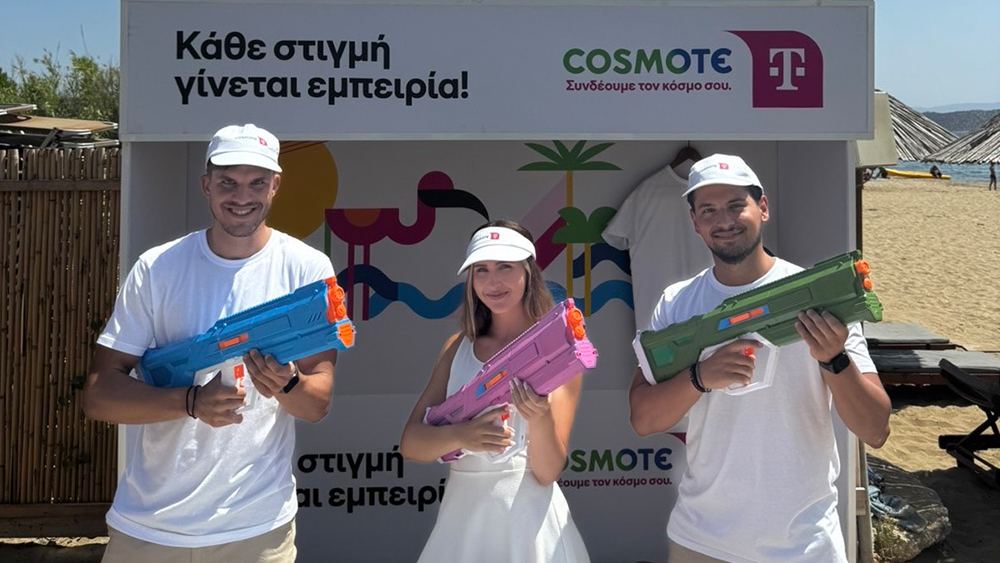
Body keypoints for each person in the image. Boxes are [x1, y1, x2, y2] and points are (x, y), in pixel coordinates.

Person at [83, 124, 338, 562]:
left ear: (276, 186)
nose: (242, 196)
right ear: (206, 185)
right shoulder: (157, 268)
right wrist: (190, 402)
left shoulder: (308, 270)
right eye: (228, 182)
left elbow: (317, 404)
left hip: (256, 529)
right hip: (151, 526)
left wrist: (288, 383)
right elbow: (99, 396)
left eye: (256, 182)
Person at [628, 154, 891, 563]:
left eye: (737, 205)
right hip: (701, 540)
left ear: (763, 208)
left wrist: (834, 360)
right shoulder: (677, 303)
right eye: (709, 210)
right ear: (695, 222)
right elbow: (643, 419)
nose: (724, 220)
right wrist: (700, 377)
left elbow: (875, 429)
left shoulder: (820, 297)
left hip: (804, 546)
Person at [399, 219, 590, 563]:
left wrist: (539, 417)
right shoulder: (456, 348)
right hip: (461, 521)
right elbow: (411, 444)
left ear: (528, 272)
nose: (493, 281)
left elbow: (547, 471)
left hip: (530, 527)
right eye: (481, 270)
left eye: (505, 267)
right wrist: (463, 435)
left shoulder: (560, 351)